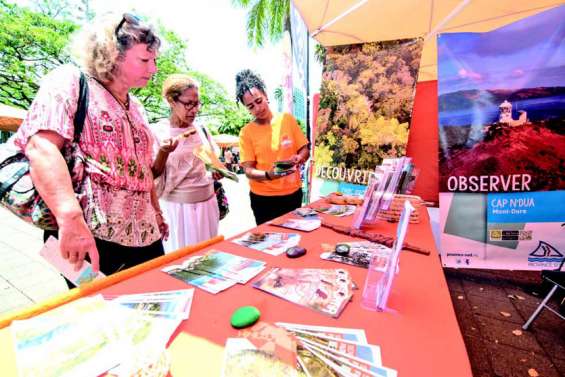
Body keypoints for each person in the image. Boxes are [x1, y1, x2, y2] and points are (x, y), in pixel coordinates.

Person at [13, 13, 166, 279]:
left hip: (147, 237)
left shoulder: (138, 108)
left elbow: (142, 169)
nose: (153, 69)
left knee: (156, 308)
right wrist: (69, 219)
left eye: (154, 60)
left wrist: (156, 210)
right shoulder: (70, 81)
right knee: (101, 316)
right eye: (144, 59)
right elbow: (42, 148)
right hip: (91, 237)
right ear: (112, 54)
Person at [151, 74, 220, 252]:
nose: (194, 110)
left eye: (197, 103)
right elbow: (152, 175)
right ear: (171, 101)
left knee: (209, 260)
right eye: (188, 104)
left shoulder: (201, 129)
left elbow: (212, 163)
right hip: (178, 210)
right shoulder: (158, 132)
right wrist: (163, 153)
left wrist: (218, 170)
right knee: (182, 263)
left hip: (207, 206)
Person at [235, 69, 310, 225]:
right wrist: (269, 175)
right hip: (263, 199)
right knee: (268, 245)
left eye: (259, 101)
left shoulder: (287, 120)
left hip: (292, 195)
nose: (258, 108)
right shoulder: (246, 132)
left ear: (266, 95)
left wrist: (300, 157)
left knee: (294, 240)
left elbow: (305, 149)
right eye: (250, 106)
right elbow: (248, 170)